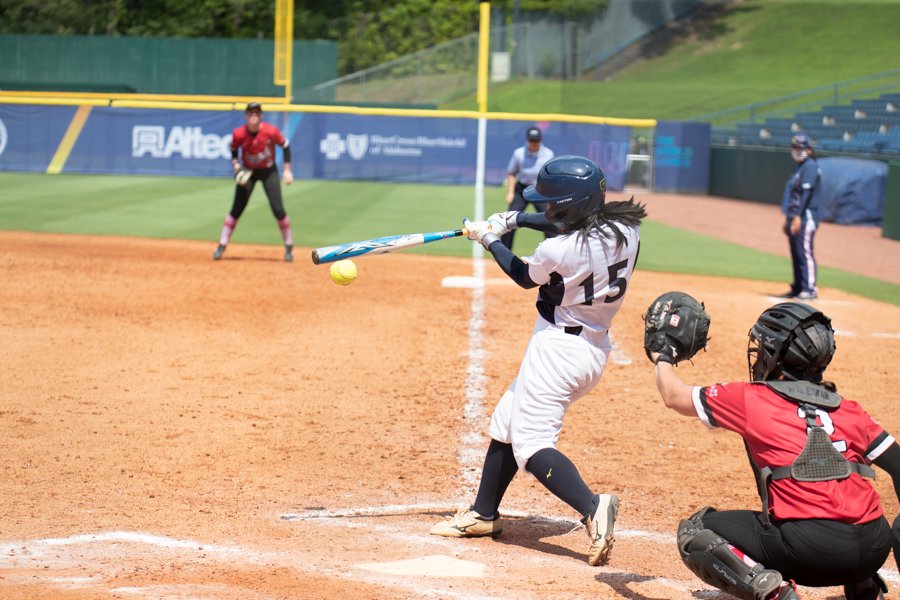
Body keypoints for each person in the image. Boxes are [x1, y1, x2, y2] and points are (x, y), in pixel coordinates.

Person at [430, 155, 647, 567]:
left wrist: (489, 239)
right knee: (507, 420)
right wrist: (515, 220)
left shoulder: (558, 250)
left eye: (551, 204)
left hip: (559, 353)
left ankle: (592, 506)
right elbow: (572, 223)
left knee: (531, 447)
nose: (545, 210)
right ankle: (483, 513)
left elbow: (522, 275)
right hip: (592, 348)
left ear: (570, 206)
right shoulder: (625, 228)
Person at [648, 301, 900, 600]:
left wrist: (662, 354)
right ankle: (864, 586)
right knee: (843, 498)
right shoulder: (849, 409)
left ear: (775, 355)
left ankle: (773, 594)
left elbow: (673, 395)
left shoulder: (749, 398)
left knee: (695, 531)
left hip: (811, 553)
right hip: (874, 547)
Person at [213, 102, 295, 262]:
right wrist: (236, 165)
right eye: (251, 113)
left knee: (278, 209)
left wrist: (287, 170)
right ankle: (221, 246)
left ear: (261, 116)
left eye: (257, 113)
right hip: (248, 171)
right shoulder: (239, 133)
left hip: (268, 171)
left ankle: (289, 247)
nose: (253, 115)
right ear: (246, 116)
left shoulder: (271, 131)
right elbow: (233, 148)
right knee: (236, 209)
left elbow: (286, 146)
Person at [779, 134, 821, 299]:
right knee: (796, 252)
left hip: (806, 216)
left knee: (805, 252)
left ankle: (809, 288)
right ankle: (798, 287)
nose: (796, 151)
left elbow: (805, 195)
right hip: (795, 216)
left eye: (800, 148)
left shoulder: (810, 166)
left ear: (809, 150)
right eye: (794, 147)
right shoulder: (799, 167)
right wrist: (788, 217)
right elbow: (793, 196)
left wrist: (797, 217)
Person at [500, 126, 555, 250]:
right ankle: (503, 251)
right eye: (531, 140)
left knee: (549, 221)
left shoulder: (548, 154)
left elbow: (552, 175)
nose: (534, 143)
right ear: (527, 140)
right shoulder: (519, 153)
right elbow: (511, 172)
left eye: (536, 140)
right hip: (522, 190)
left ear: (540, 140)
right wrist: (510, 193)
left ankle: (553, 251)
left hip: (541, 191)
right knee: (510, 220)